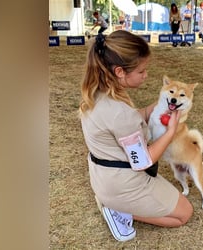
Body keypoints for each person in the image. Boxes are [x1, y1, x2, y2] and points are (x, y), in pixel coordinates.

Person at [79, 30, 193, 242]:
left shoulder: (97, 93)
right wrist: (170, 132)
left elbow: (127, 122)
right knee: (184, 214)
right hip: (122, 184)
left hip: (103, 177)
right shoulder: (120, 114)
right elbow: (143, 161)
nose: (146, 75)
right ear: (120, 71)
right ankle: (119, 211)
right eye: (141, 71)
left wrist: (157, 108)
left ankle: (115, 203)